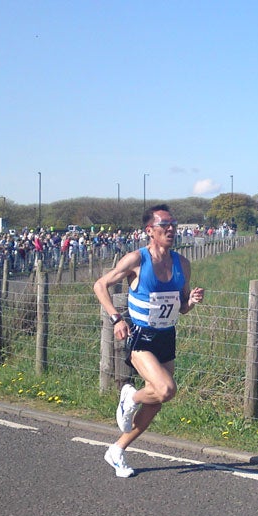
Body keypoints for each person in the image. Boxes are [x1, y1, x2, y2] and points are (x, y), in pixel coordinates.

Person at [92, 204, 204, 477]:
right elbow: (99, 285)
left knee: (155, 403)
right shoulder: (136, 260)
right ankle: (130, 397)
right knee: (165, 390)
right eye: (164, 225)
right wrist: (117, 319)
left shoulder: (182, 264)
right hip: (142, 337)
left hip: (167, 336)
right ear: (150, 231)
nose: (171, 229)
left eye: (173, 224)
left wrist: (190, 301)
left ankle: (117, 450)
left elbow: (180, 307)